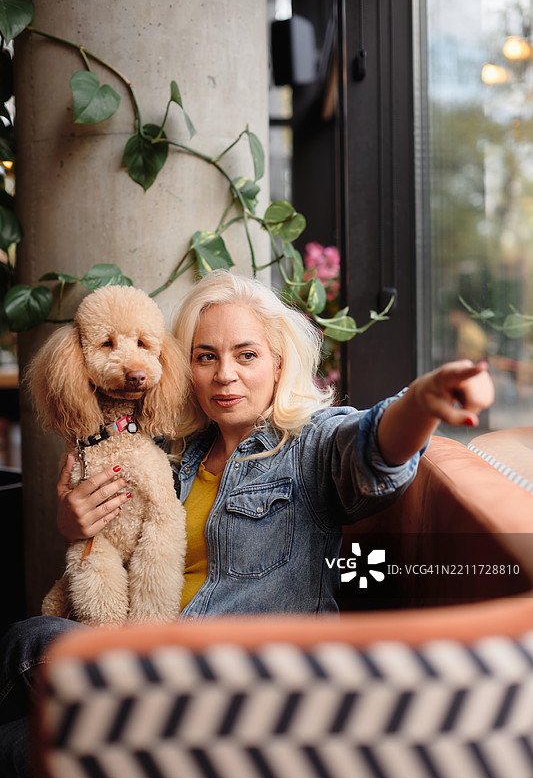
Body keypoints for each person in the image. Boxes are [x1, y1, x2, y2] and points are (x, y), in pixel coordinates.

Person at [0, 270, 494, 775]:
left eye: (246, 354)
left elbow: (371, 449)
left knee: (30, 640)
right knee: (18, 743)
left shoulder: (309, 445)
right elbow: (122, 550)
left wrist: (421, 402)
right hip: (161, 674)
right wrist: (75, 524)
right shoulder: (176, 456)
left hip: (245, 691)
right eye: (205, 356)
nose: (224, 374)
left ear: (279, 362)